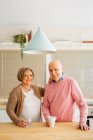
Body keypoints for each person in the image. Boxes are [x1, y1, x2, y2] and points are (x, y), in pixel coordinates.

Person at [42, 60, 89, 131]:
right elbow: (45, 107)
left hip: (70, 125)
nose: (53, 73)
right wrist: (48, 119)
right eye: (50, 70)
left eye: (56, 69)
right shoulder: (48, 86)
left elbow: (82, 104)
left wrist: (82, 122)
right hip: (54, 126)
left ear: (62, 69)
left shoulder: (71, 83)